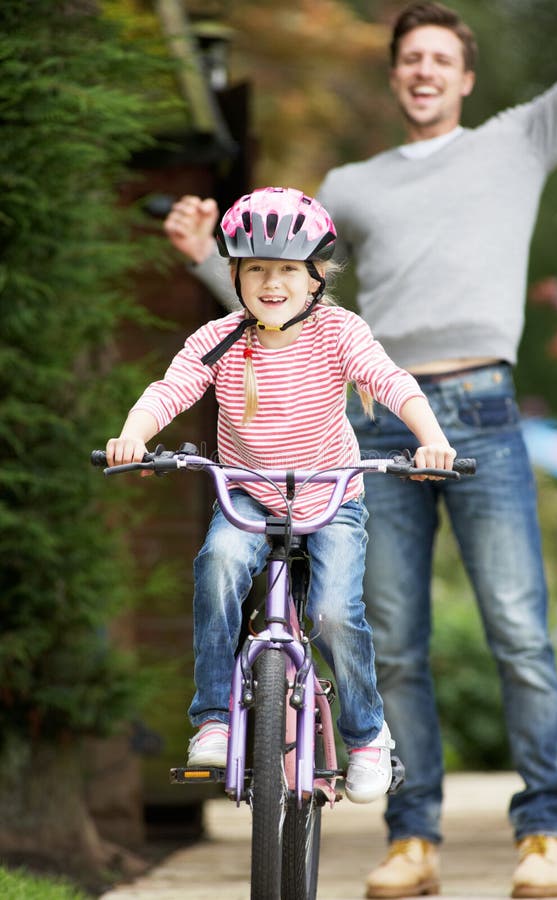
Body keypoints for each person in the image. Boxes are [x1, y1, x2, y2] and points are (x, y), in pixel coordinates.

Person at [162, 3, 557, 895]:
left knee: (518, 630)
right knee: (384, 634)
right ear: (395, 73)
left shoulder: (516, 140)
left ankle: (544, 830)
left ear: (467, 77)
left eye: (443, 57)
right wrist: (209, 257)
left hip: (478, 410)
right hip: (369, 422)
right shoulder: (353, 185)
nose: (426, 70)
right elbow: (291, 298)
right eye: (410, 58)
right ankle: (413, 838)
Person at [107, 186, 457, 807]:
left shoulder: (338, 333)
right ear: (235, 274)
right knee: (217, 569)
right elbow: (170, 389)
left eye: (289, 270)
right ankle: (214, 717)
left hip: (330, 497)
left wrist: (432, 440)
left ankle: (368, 736)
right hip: (247, 497)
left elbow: (391, 381)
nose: (273, 283)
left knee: (331, 612)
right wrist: (134, 436)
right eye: (256, 269)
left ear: (316, 276)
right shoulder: (218, 339)